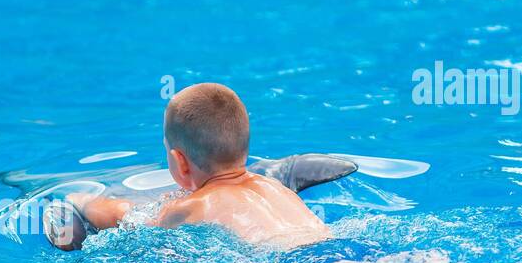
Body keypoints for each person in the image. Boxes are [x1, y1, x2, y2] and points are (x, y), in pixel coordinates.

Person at [48, 83, 331, 251]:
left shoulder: (190, 208)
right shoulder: (274, 188)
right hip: (331, 251)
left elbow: (125, 217)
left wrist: (79, 201)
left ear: (180, 162)